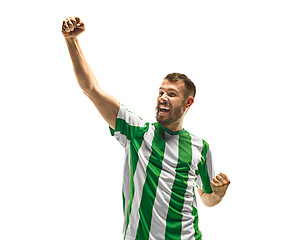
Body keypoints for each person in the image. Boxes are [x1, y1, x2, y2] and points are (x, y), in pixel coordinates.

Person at [62, 16, 230, 240]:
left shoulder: (201, 147)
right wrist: (71, 41)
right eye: (161, 92)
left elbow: (206, 197)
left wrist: (217, 195)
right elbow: (91, 89)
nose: (163, 98)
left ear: (187, 102)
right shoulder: (137, 131)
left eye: (171, 94)